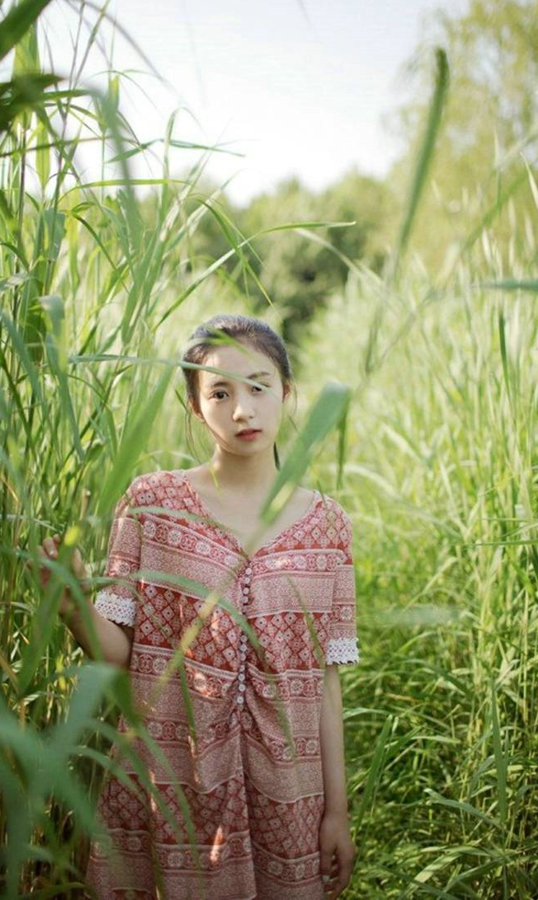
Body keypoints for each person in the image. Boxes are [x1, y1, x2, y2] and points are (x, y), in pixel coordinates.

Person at [38, 314, 359, 900]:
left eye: (259, 387)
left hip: (290, 794)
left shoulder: (328, 525)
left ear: (287, 393)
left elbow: (327, 683)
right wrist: (70, 605)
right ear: (194, 405)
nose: (243, 409)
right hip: (172, 784)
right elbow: (120, 653)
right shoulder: (154, 505)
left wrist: (337, 812)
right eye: (219, 392)